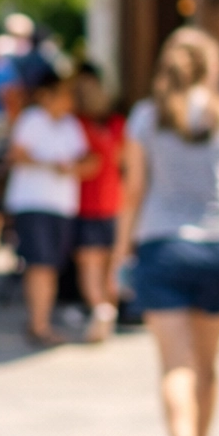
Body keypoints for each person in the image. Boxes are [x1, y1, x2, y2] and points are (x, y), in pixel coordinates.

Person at [119, 29, 219, 436]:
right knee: (208, 366)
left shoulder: (145, 117)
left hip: (161, 245)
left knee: (175, 365)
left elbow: (134, 190)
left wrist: (121, 251)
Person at [5, 68, 96, 345]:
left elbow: (88, 161)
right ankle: (39, 323)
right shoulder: (32, 120)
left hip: (61, 204)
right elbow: (17, 156)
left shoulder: (71, 125)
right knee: (40, 264)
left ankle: (41, 320)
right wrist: (51, 165)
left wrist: (74, 167)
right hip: (34, 202)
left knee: (51, 265)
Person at [70, 62, 126, 341]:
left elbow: (83, 164)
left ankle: (100, 311)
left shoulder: (76, 124)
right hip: (116, 201)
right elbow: (124, 161)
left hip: (88, 203)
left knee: (90, 268)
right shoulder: (117, 124)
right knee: (110, 268)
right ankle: (108, 313)